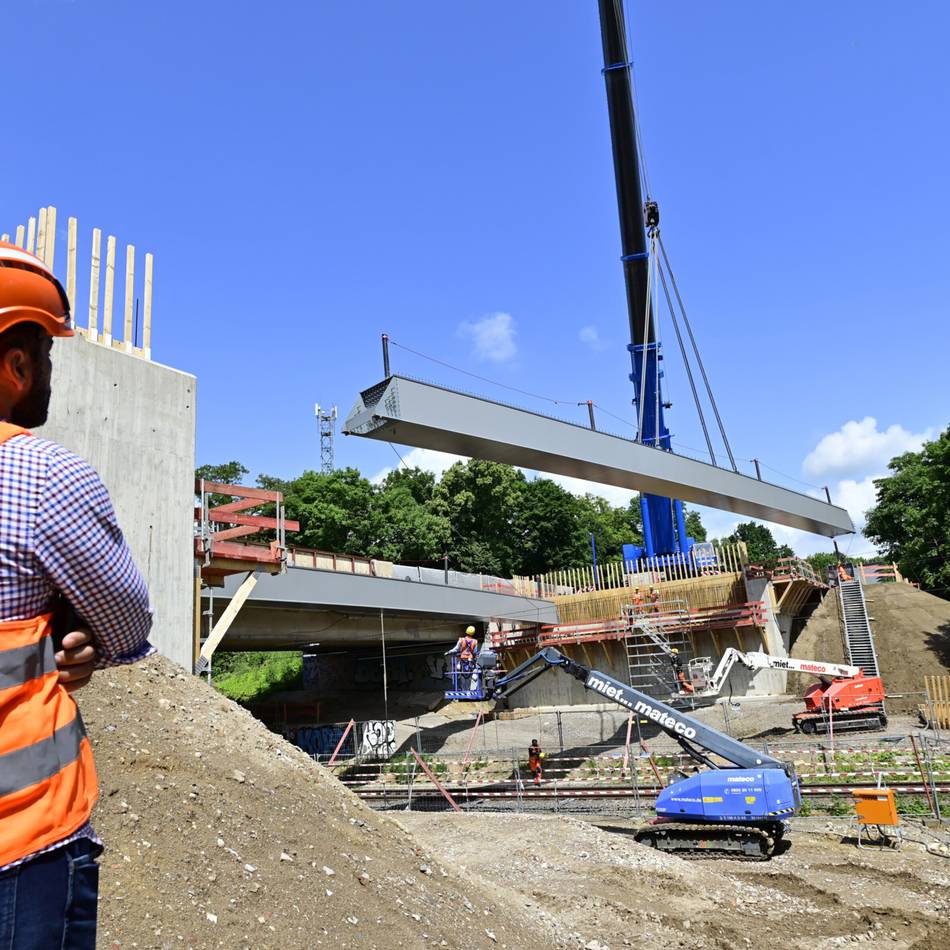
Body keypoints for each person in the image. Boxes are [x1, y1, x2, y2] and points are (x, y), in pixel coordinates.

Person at [0, 241, 154, 950]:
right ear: (17, 366)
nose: (51, 373)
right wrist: (71, 627)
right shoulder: (41, 477)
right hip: (22, 841)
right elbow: (125, 625)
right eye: (47, 356)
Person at [446, 624, 480, 690]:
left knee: (462, 674)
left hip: (463, 660)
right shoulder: (475, 641)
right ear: (473, 633)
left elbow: (456, 649)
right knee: (469, 675)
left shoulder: (461, 640)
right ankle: (468, 690)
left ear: (466, 632)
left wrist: (449, 652)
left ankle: (463, 689)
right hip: (470, 660)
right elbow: (475, 652)